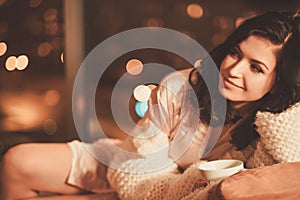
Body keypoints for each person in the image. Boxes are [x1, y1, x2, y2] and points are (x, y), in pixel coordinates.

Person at [1, 10, 300, 200]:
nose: (234, 70)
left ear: (279, 82)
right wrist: (193, 181)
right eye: (235, 53)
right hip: (128, 163)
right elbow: (137, 170)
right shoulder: (183, 87)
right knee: (18, 162)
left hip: (165, 186)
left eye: (256, 68)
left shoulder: (275, 127)